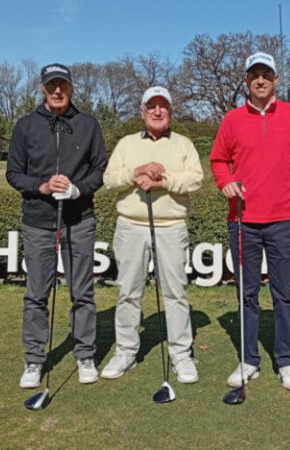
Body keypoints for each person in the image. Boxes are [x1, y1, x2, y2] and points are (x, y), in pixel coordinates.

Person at [209, 52, 290, 390]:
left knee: (284, 294)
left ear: (276, 79)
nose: (261, 80)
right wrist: (225, 182)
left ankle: (285, 360)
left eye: (266, 74)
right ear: (246, 81)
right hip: (242, 219)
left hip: (283, 218)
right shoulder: (232, 119)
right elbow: (218, 160)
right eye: (254, 75)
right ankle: (249, 360)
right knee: (247, 293)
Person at [6, 63, 107, 388]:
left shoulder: (88, 125)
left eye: (62, 84)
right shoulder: (25, 126)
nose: (57, 91)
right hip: (38, 221)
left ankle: (85, 355)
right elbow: (14, 173)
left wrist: (78, 189)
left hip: (79, 219)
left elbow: (99, 169)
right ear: (42, 89)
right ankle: (34, 360)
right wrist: (41, 186)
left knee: (82, 293)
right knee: (36, 294)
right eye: (51, 86)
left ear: (71, 87)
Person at [101, 86, 203, 384]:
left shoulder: (183, 144)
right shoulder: (126, 143)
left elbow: (195, 180)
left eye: (163, 107)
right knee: (128, 292)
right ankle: (126, 352)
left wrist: (163, 180)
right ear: (142, 112)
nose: (158, 112)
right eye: (152, 107)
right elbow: (109, 180)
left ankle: (181, 355)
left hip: (170, 227)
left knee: (175, 292)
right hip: (131, 226)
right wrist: (136, 173)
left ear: (170, 112)